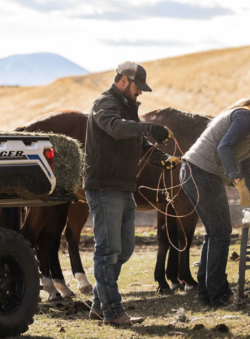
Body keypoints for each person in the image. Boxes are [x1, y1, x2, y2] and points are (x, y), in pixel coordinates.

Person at [83, 61, 180, 324]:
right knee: (107, 250)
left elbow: (136, 141)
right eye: (138, 87)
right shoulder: (104, 104)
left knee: (124, 250)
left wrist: (160, 158)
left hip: (124, 188)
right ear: (124, 81)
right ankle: (113, 311)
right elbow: (115, 127)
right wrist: (149, 127)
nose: (140, 93)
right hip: (105, 187)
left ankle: (99, 305)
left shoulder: (126, 107)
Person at [180, 88, 250, 306]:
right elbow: (225, 147)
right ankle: (220, 295)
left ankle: (206, 295)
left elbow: (244, 162)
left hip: (196, 172)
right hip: (200, 172)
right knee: (221, 232)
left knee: (214, 233)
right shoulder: (246, 116)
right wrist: (237, 182)